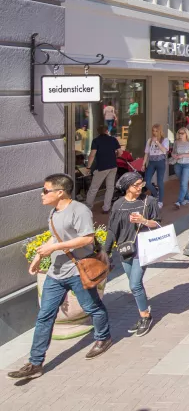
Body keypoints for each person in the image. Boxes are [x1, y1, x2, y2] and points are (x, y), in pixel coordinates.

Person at [8, 175, 112, 381]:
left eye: (45, 191)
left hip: (76, 270)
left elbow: (87, 239)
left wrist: (54, 247)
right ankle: (35, 363)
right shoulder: (54, 212)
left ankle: (103, 337)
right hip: (56, 273)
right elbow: (56, 237)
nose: (42, 194)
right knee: (45, 316)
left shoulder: (79, 211)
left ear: (60, 192)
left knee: (92, 307)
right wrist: (39, 256)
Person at [105, 172, 162, 336]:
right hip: (125, 249)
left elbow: (158, 223)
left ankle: (146, 317)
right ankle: (143, 313)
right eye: (135, 185)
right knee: (135, 285)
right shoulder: (118, 205)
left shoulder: (148, 201)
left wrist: (143, 221)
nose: (139, 188)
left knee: (134, 285)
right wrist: (105, 252)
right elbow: (112, 229)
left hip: (142, 249)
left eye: (141, 184)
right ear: (126, 187)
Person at [86, 124, 124, 213]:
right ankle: (106, 208)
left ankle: (88, 207)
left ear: (98, 132)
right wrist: (115, 156)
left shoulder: (96, 141)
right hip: (113, 166)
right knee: (110, 187)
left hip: (102, 167)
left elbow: (92, 155)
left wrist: (88, 167)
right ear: (107, 131)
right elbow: (120, 152)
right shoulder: (113, 139)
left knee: (94, 188)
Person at [142, 124, 170, 208]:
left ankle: (160, 201)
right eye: (153, 131)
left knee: (160, 181)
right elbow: (146, 153)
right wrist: (143, 164)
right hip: (151, 162)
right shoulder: (149, 140)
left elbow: (164, 151)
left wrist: (157, 142)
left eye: (156, 131)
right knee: (146, 182)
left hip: (160, 162)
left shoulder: (165, 140)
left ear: (160, 131)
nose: (154, 133)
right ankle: (155, 193)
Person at [171, 126, 189, 209]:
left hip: (188, 165)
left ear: (186, 134)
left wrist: (182, 155)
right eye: (179, 133)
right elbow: (173, 152)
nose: (180, 135)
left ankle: (179, 201)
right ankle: (187, 198)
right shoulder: (176, 142)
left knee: (183, 183)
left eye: (182, 133)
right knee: (183, 183)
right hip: (178, 164)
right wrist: (174, 155)